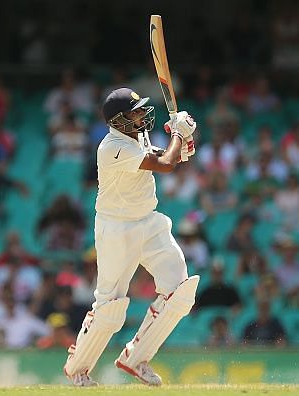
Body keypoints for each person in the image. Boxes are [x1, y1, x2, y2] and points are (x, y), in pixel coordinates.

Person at [63, 88, 199, 387]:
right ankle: (78, 369)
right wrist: (177, 134)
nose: (142, 116)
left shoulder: (138, 136)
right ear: (119, 120)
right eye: (135, 112)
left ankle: (136, 358)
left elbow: (174, 157)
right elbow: (165, 165)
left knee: (180, 291)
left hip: (148, 221)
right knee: (110, 306)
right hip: (117, 228)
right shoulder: (112, 147)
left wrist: (184, 138)